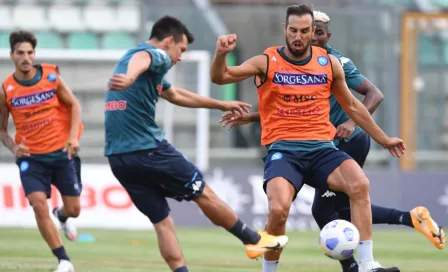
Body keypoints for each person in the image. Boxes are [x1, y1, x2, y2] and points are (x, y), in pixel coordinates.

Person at [218, 9, 446, 272]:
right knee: (310, 209)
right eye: (300, 32)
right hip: (300, 144)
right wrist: (255, 116)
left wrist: (363, 130)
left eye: (315, 33)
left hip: (341, 141)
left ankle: (364, 264)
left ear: (325, 34)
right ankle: (400, 225)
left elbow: (367, 97)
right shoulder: (279, 60)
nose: (309, 38)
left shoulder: (335, 61)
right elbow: (290, 106)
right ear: (288, 29)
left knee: (345, 196)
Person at [104, 15, 289, 272]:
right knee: (203, 191)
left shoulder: (135, 61)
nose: (179, 57)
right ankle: (254, 241)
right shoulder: (153, 56)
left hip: (119, 159)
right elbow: (144, 59)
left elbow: (176, 94)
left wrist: (221, 104)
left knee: (162, 221)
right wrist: (130, 77)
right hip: (148, 150)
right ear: (169, 41)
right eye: (181, 50)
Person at [0, 30, 84, 272]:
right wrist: (13, 147)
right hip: (31, 159)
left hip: (61, 154)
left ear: (34, 54)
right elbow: (2, 131)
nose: (26, 57)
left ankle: (63, 216)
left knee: (74, 209)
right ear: (12, 55)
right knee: (38, 204)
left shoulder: (50, 76)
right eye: (20, 53)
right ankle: (63, 260)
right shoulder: (6, 90)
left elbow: (74, 104)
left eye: (30, 52)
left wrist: (72, 138)